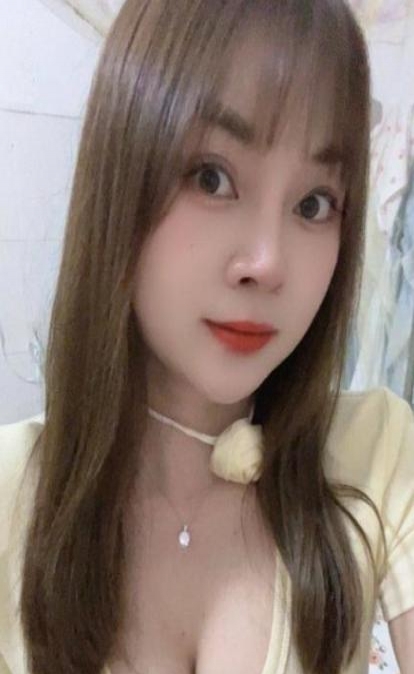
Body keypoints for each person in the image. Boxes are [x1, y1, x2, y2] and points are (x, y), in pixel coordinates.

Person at [1, 0, 413, 673]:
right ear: (121, 172)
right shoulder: (12, 495)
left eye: (314, 204)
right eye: (212, 178)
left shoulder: (377, 455)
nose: (268, 263)